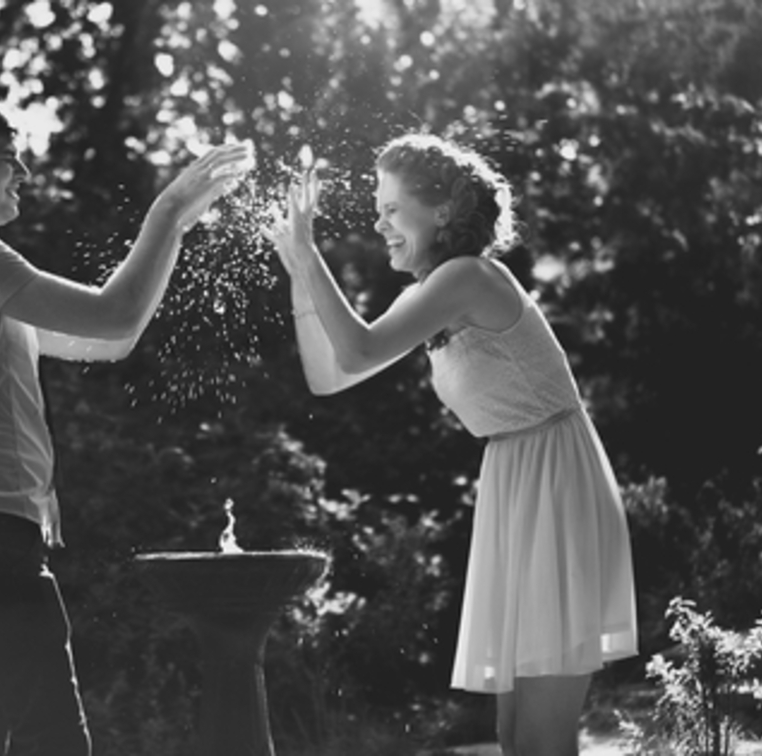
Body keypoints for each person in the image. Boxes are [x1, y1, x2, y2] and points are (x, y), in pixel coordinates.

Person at [0, 87, 252, 756]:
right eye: (7, 158)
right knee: (54, 739)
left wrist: (175, 228)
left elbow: (112, 338)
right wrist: (167, 209)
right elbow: (113, 315)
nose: (24, 172)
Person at [268, 133, 637, 756]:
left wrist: (309, 255)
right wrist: (301, 274)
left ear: (440, 212)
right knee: (514, 737)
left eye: (392, 209)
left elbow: (356, 349)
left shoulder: (467, 277)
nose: (379, 224)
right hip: (516, 478)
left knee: (542, 741)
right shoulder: (429, 294)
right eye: (378, 210)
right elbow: (329, 376)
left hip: (554, 481)